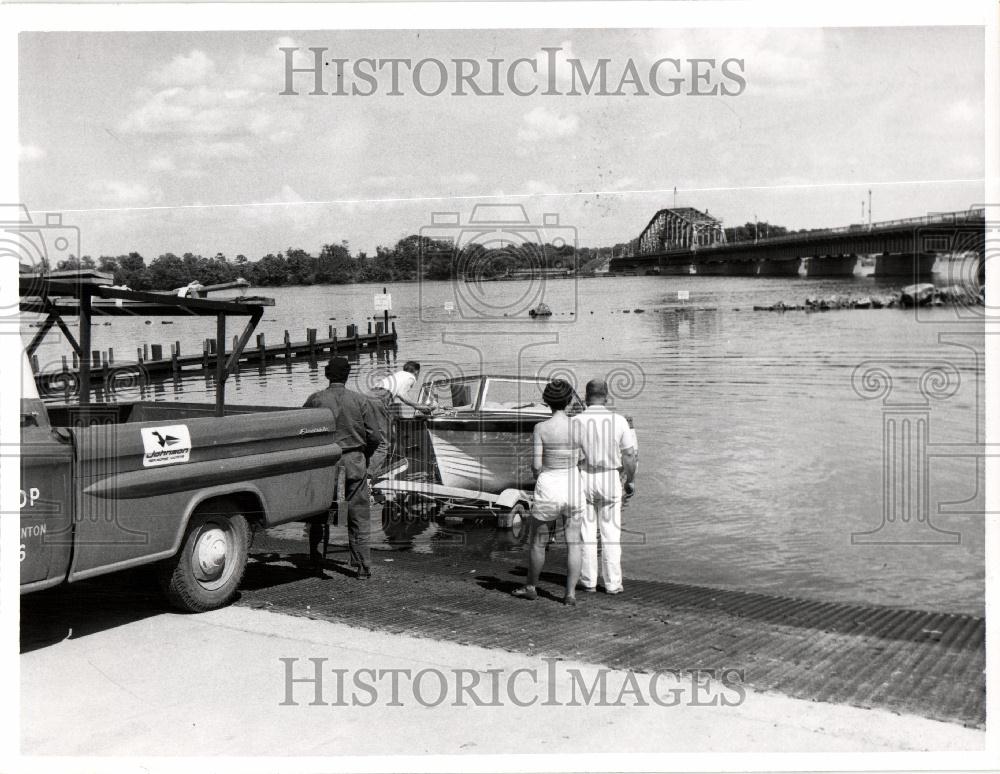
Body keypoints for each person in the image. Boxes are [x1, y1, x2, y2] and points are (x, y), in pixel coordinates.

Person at [303, 357, 383, 579]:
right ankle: (362, 567)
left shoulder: (315, 399)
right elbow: (375, 436)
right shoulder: (360, 401)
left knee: (319, 514)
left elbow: (302, 430)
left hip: (325, 463)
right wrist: (362, 455)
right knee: (359, 516)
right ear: (348, 375)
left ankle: (316, 561)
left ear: (327, 374)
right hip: (354, 462)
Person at [511, 379, 586, 606]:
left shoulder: (541, 428)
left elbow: (536, 465)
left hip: (550, 483)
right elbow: (583, 458)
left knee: (538, 542)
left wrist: (539, 477)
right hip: (573, 483)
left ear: (546, 401)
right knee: (574, 542)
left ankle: (531, 587)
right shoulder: (579, 426)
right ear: (570, 400)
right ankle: (570, 594)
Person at [571, 378, 637, 595]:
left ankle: (588, 580)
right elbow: (629, 454)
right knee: (611, 533)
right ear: (607, 397)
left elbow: (571, 456)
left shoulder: (577, 420)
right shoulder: (618, 421)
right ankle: (612, 583)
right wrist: (630, 479)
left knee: (586, 532)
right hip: (610, 477)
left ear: (586, 396)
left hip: (585, 477)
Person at [367, 361, 433, 481]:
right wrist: (419, 407)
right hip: (379, 400)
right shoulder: (410, 377)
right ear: (417, 372)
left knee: (373, 436)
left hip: (368, 396)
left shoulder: (398, 375)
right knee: (384, 443)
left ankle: (368, 466)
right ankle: (369, 475)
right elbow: (402, 394)